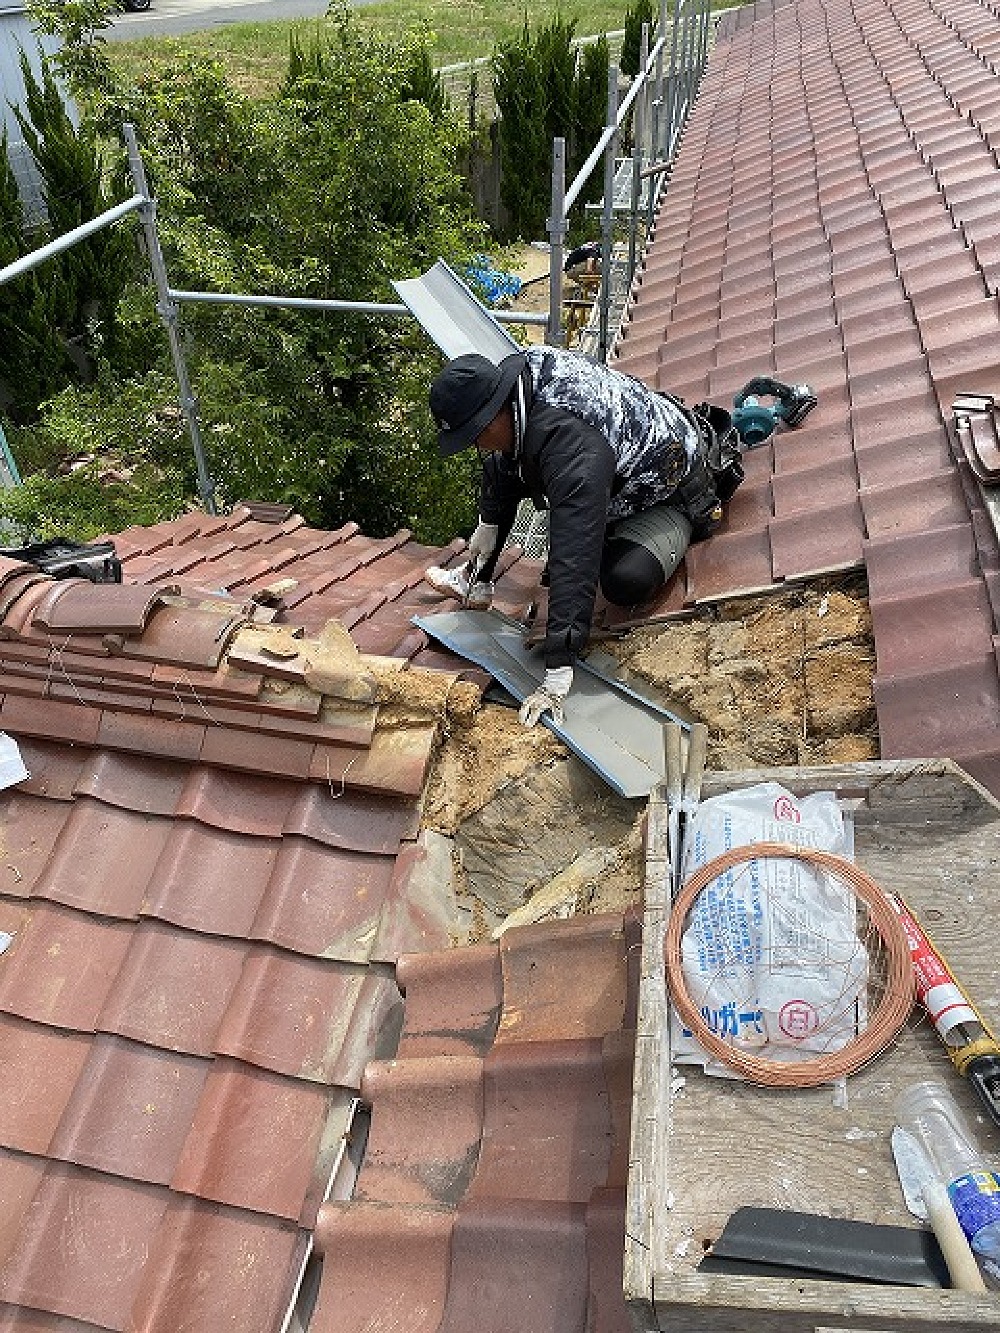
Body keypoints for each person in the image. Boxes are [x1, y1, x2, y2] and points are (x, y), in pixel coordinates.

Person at [423, 345, 744, 727]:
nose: (474, 445)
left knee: (624, 579)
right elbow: (502, 467)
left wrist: (558, 669)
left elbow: (573, 554)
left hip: (671, 490)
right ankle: (475, 585)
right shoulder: (519, 389)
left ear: (493, 413)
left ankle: (666, 531)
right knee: (505, 465)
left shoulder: (570, 446)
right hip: (613, 468)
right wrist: (487, 537)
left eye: (473, 434)